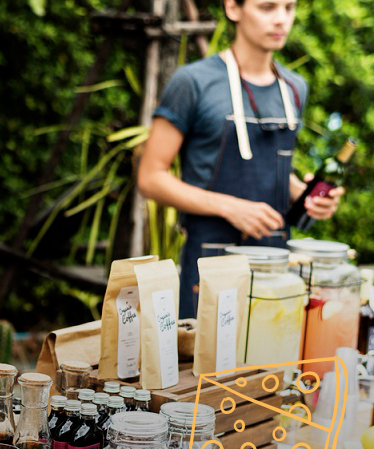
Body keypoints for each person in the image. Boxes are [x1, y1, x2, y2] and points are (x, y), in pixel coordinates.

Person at [138, 0, 344, 318]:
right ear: (233, 8)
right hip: (209, 261)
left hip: (274, 264)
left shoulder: (294, 88)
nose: (281, 20)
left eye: (289, 8)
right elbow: (151, 177)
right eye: (267, 8)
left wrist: (308, 197)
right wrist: (230, 206)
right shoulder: (193, 83)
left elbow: (270, 168)